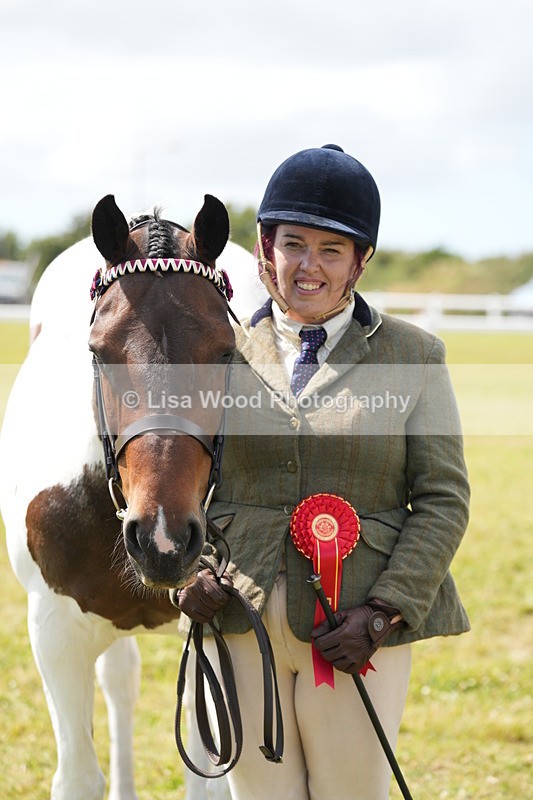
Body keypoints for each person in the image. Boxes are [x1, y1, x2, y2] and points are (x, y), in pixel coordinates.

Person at [177, 144, 470, 800]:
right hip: (236, 619)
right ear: (263, 248)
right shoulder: (218, 352)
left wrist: (384, 610)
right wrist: (185, 578)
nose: (307, 266)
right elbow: (174, 480)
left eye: (330, 250)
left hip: (353, 631)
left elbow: (444, 498)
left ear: (359, 261)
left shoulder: (413, 355)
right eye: (293, 243)